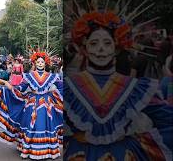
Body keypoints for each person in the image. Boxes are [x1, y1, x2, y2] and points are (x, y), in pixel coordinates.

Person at [64, 9, 173, 160]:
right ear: (84, 48)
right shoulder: (68, 87)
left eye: (107, 43)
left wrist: (144, 144)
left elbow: (167, 119)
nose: (101, 49)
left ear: (116, 47)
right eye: (94, 43)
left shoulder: (136, 89)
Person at [0, 49, 63, 159]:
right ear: (34, 63)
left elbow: (61, 86)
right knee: (31, 123)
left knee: (46, 123)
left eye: (42, 62)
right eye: (38, 62)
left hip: (47, 102)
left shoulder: (51, 76)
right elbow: (22, 87)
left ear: (46, 63)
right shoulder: (29, 76)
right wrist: (11, 88)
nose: (40, 64)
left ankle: (47, 149)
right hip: (32, 101)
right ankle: (29, 148)